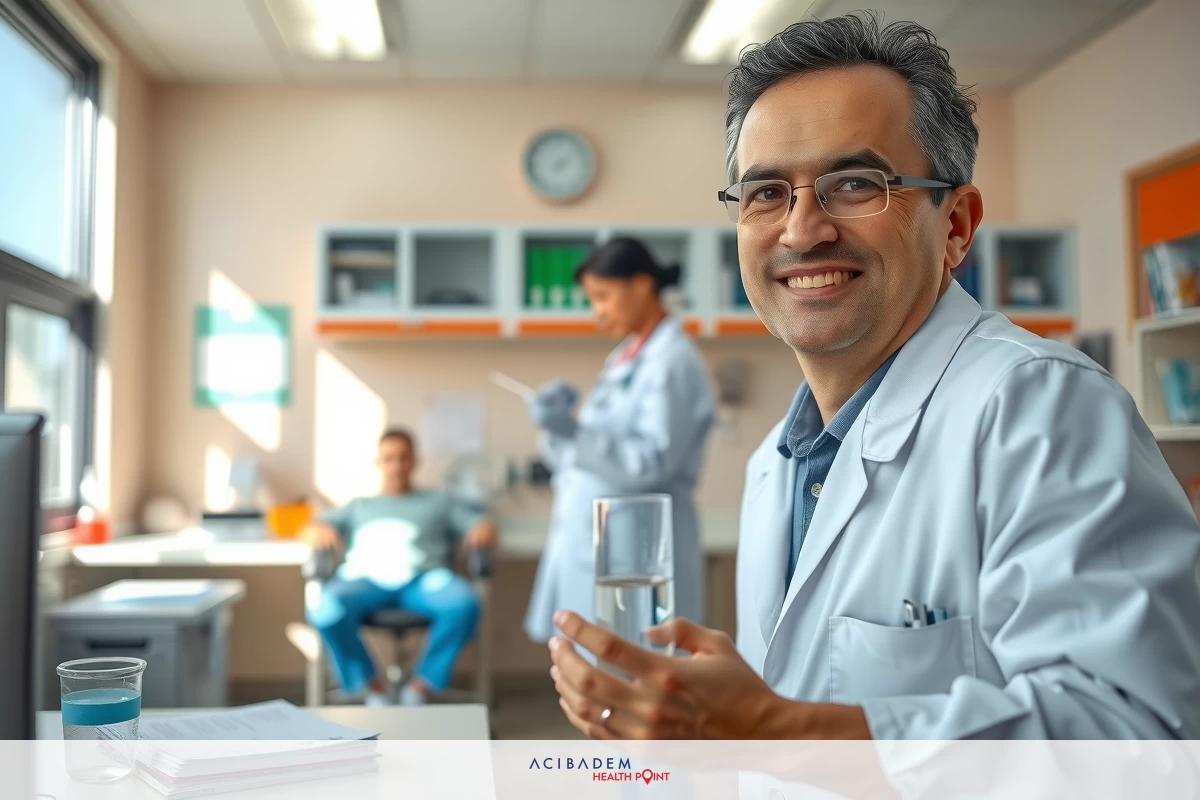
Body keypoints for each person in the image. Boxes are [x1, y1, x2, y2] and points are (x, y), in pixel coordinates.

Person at [546, 13, 1200, 739]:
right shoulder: (775, 465)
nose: (802, 230)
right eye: (766, 192)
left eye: (856, 183)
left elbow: (1137, 737)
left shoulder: (1043, 410)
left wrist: (772, 728)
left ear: (956, 226)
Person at [523, 237, 716, 643]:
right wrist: (559, 426)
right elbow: (582, 460)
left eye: (603, 296)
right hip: (602, 545)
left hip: (638, 553)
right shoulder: (623, 358)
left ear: (642, 285)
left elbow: (650, 463)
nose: (597, 311)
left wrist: (574, 431)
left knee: (636, 666)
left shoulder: (673, 362)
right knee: (590, 663)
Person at [303, 428, 496, 706]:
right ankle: (372, 687)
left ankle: (420, 687)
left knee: (464, 603)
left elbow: (480, 524)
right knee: (324, 609)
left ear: (414, 461)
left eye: (404, 457)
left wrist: (483, 527)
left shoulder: (440, 501)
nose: (397, 465)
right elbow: (312, 526)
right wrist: (318, 529)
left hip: (425, 581)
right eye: (389, 458)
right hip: (364, 582)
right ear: (378, 462)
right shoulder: (360, 505)